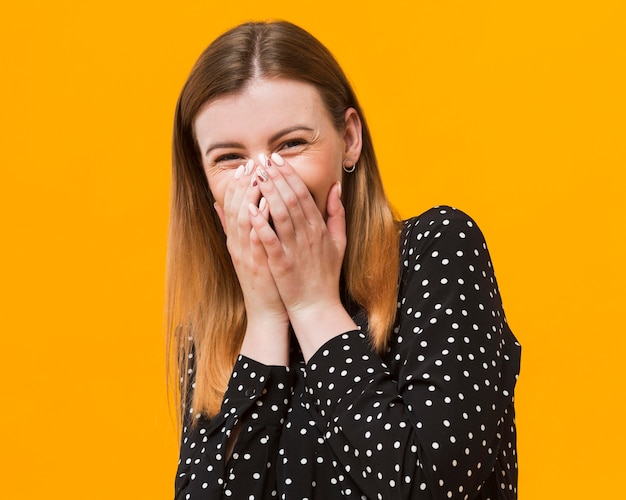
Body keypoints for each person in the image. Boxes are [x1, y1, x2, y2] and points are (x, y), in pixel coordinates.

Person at [166, 20, 521, 500]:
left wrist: (314, 306)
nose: (263, 180)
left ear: (349, 138)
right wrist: (266, 317)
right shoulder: (215, 326)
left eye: (290, 144)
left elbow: (431, 487)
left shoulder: (437, 250)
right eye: (230, 158)